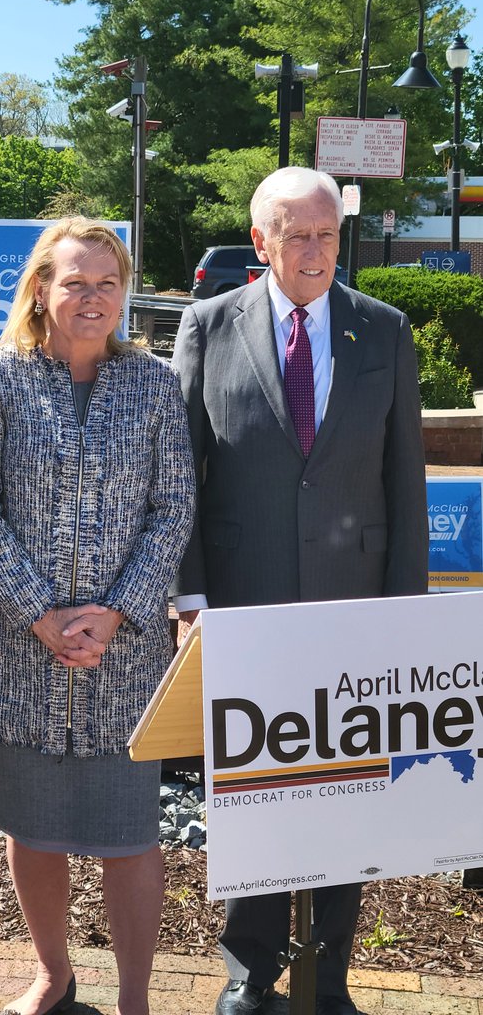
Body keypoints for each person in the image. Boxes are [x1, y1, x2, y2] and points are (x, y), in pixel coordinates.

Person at [172, 166, 429, 1015]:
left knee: (346, 793)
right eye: (297, 235)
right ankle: (250, 974)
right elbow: (184, 478)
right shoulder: (208, 326)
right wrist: (191, 599)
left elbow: (406, 484)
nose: (316, 251)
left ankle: (332, 976)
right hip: (245, 605)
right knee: (252, 793)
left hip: (354, 609)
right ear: (261, 241)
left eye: (327, 234)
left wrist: (405, 616)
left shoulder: (384, 332)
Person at [0, 216, 195, 1015]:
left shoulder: (156, 384)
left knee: (131, 838)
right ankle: (53, 974)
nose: (92, 298)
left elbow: (173, 511)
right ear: (40, 290)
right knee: (34, 829)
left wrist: (118, 613)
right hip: (22, 655)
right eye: (74, 282)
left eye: (107, 283)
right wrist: (39, 616)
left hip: (123, 659)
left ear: (124, 294)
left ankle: (134, 998)